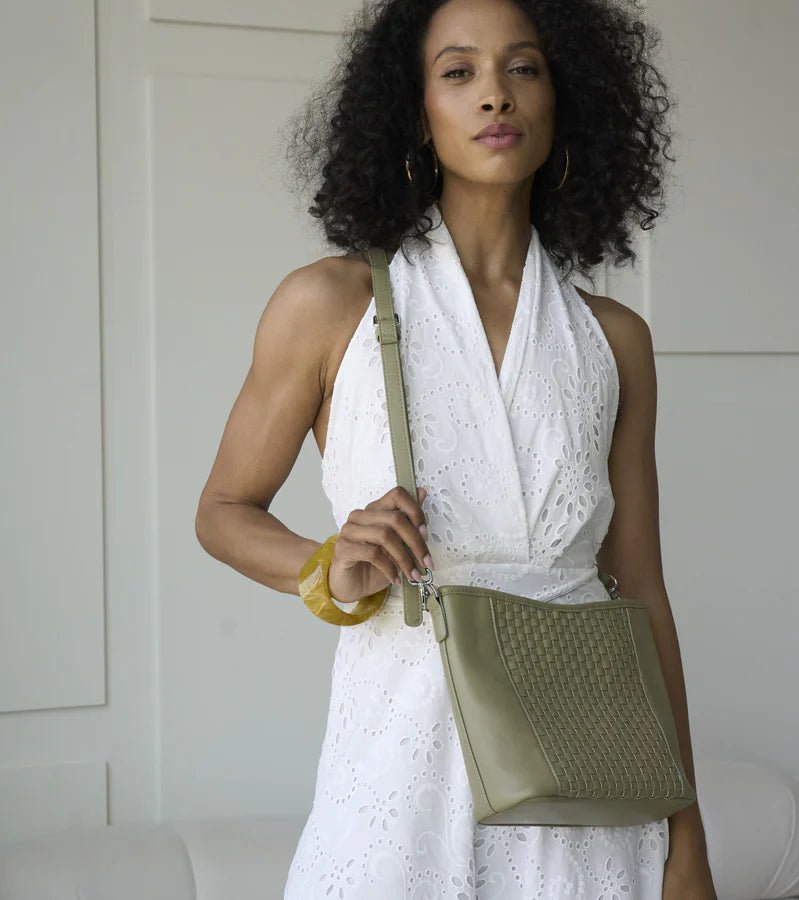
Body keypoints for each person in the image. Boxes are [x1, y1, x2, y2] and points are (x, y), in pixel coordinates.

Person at [195, 0, 717, 896]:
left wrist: (687, 835)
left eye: (523, 69)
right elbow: (221, 512)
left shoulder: (615, 339)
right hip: (399, 781)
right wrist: (327, 566)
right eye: (458, 72)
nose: (494, 98)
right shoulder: (329, 303)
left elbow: (645, 596)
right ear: (414, 110)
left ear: (565, 101)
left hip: (590, 801)